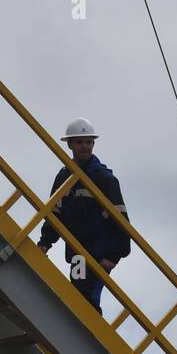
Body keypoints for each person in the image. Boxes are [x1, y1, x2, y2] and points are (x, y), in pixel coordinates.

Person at [36, 118, 130, 314]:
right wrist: (45, 241)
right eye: (80, 142)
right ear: (69, 144)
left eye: (88, 142)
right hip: (78, 252)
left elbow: (122, 221)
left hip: (99, 252)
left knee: (88, 300)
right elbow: (54, 213)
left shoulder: (105, 179)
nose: (85, 147)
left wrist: (113, 256)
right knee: (79, 295)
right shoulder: (64, 177)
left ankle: (92, 340)